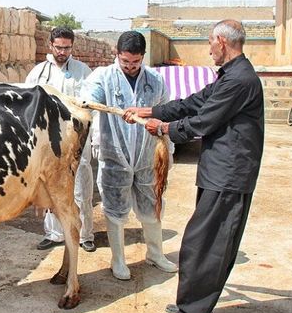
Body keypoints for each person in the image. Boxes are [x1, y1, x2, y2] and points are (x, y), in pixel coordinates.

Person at [123, 20, 264, 313]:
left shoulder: (239, 81)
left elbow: (203, 120)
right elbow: (193, 103)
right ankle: (199, 306)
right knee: (214, 243)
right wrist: (150, 110)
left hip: (229, 175)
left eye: (210, 43)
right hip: (220, 172)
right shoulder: (231, 76)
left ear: (222, 42)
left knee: (203, 246)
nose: (208, 49)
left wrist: (163, 128)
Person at [80, 30, 178, 280]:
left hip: (146, 154)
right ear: (117, 55)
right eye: (125, 62)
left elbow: (165, 110)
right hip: (115, 157)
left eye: (135, 62)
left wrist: (154, 122)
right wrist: (93, 103)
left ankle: (155, 254)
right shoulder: (103, 77)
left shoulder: (155, 79)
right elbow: (89, 103)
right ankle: (118, 260)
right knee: (114, 209)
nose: (131, 67)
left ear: (142, 57)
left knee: (152, 205)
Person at [25, 26, 97, 253]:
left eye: (67, 48)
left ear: (71, 47)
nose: (62, 52)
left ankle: (85, 235)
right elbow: (27, 104)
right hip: (48, 139)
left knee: (81, 186)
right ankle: (54, 233)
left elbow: (91, 105)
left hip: (76, 139)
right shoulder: (38, 73)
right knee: (50, 185)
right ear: (50, 46)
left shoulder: (83, 71)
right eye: (59, 47)